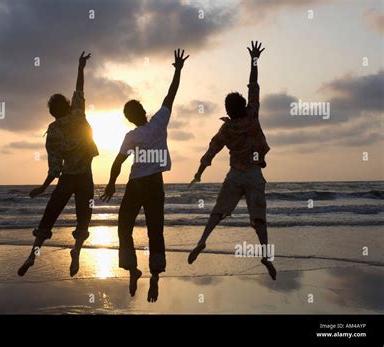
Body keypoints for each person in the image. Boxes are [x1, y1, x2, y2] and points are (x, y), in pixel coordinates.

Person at [101, 49, 189, 302]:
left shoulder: (131, 136)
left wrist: (110, 184)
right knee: (155, 231)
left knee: (124, 226)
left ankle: (132, 268)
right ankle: (155, 277)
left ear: (129, 118)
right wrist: (178, 70)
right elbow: (170, 96)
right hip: (154, 185)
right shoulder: (159, 122)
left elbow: (118, 162)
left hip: (136, 184)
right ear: (142, 110)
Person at [187, 41, 276, 280]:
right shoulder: (252, 114)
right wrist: (254, 60)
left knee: (218, 212)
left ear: (228, 110)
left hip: (235, 175)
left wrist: (198, 174)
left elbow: (210, 152)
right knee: (259, 217)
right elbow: (254, 86)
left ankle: (202, 241)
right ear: (243, 106)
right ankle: (266, 254)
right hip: (254, 174)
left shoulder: (225, 131)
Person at [18, 51, 99, 277]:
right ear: (67, 105)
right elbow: (79, 89)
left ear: (52, 113)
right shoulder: (78, 115)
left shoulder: (53, 131)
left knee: (49, 216)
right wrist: (81, 66)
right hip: (84, 177)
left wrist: (43, 188)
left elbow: (54, 167)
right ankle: (76, 252)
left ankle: (32, 255)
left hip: (66, 179)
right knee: (84, 218)